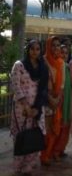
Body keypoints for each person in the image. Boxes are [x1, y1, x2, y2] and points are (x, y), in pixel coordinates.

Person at [10, 40, 48, 175]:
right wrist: (27, 107)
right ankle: (18, 167)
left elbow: (43, 89)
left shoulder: (43, 67)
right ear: (28, 50)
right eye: (32, 49)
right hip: (22, 108)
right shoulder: (19, 65)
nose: (35, 52)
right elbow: (16, 86)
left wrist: (36, 109)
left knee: (36, 135)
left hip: (37, 108)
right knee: (21, 137)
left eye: (38, 49)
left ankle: (28, 167)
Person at [41, 36, 65, 166]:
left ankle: (48, 154)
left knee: (55, 129)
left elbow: (62, 85)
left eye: (57, 45)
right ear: (48, 46)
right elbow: (41, 83)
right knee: (46, 129)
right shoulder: (43, 61)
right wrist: (50, 99)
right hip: (45, 99)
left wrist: (57, 99)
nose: (56, 48)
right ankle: (43, 155)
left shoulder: (61, 63)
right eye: (53, 45)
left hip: (56, 100)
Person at [52, 45, 72, 160]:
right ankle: (54, 151)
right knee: (57, 125)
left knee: (65, 125)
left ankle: (60, 149)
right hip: (59, 100)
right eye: (62, 52)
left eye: (66, 53)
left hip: (68, 99)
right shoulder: (56, 66)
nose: (64, 55)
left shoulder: (68, 67)